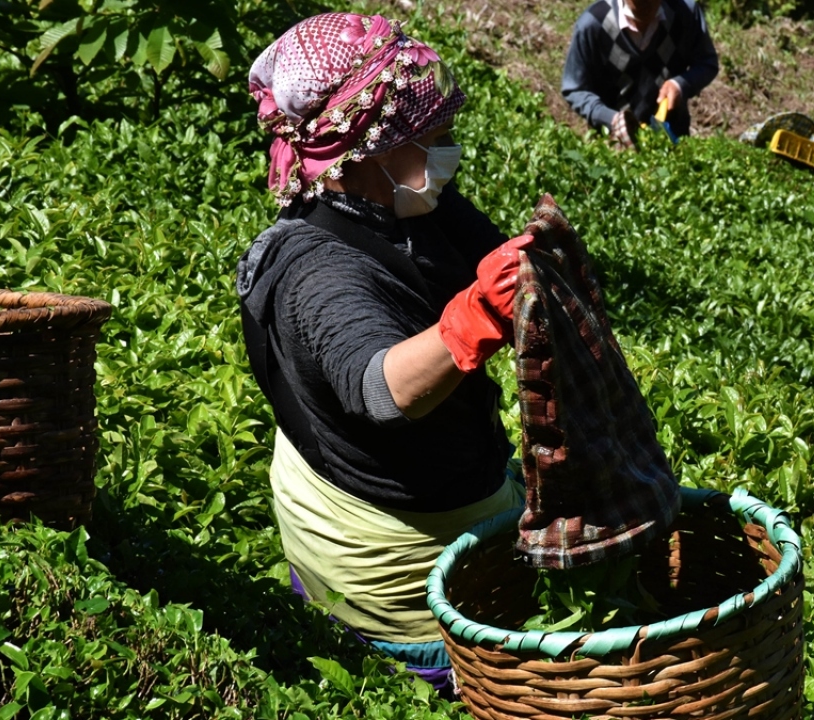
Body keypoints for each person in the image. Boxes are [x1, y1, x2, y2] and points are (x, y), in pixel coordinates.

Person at [237, 12, 531, 695]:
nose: (449, 155)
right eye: (436, 141)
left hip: (443, 488)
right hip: (392, 575)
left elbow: (490, 253)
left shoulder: (407, 202)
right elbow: (382, 389)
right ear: (370, 149)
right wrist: (477, 316)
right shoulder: (319, 272)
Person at [561, 0, 719, 149]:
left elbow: (707, 62)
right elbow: (575, 89)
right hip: (611, 146)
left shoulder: (685, 12)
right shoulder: (593, 24)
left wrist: (680, 85)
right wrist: (611, 119)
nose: (647, 5)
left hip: (672, 142)